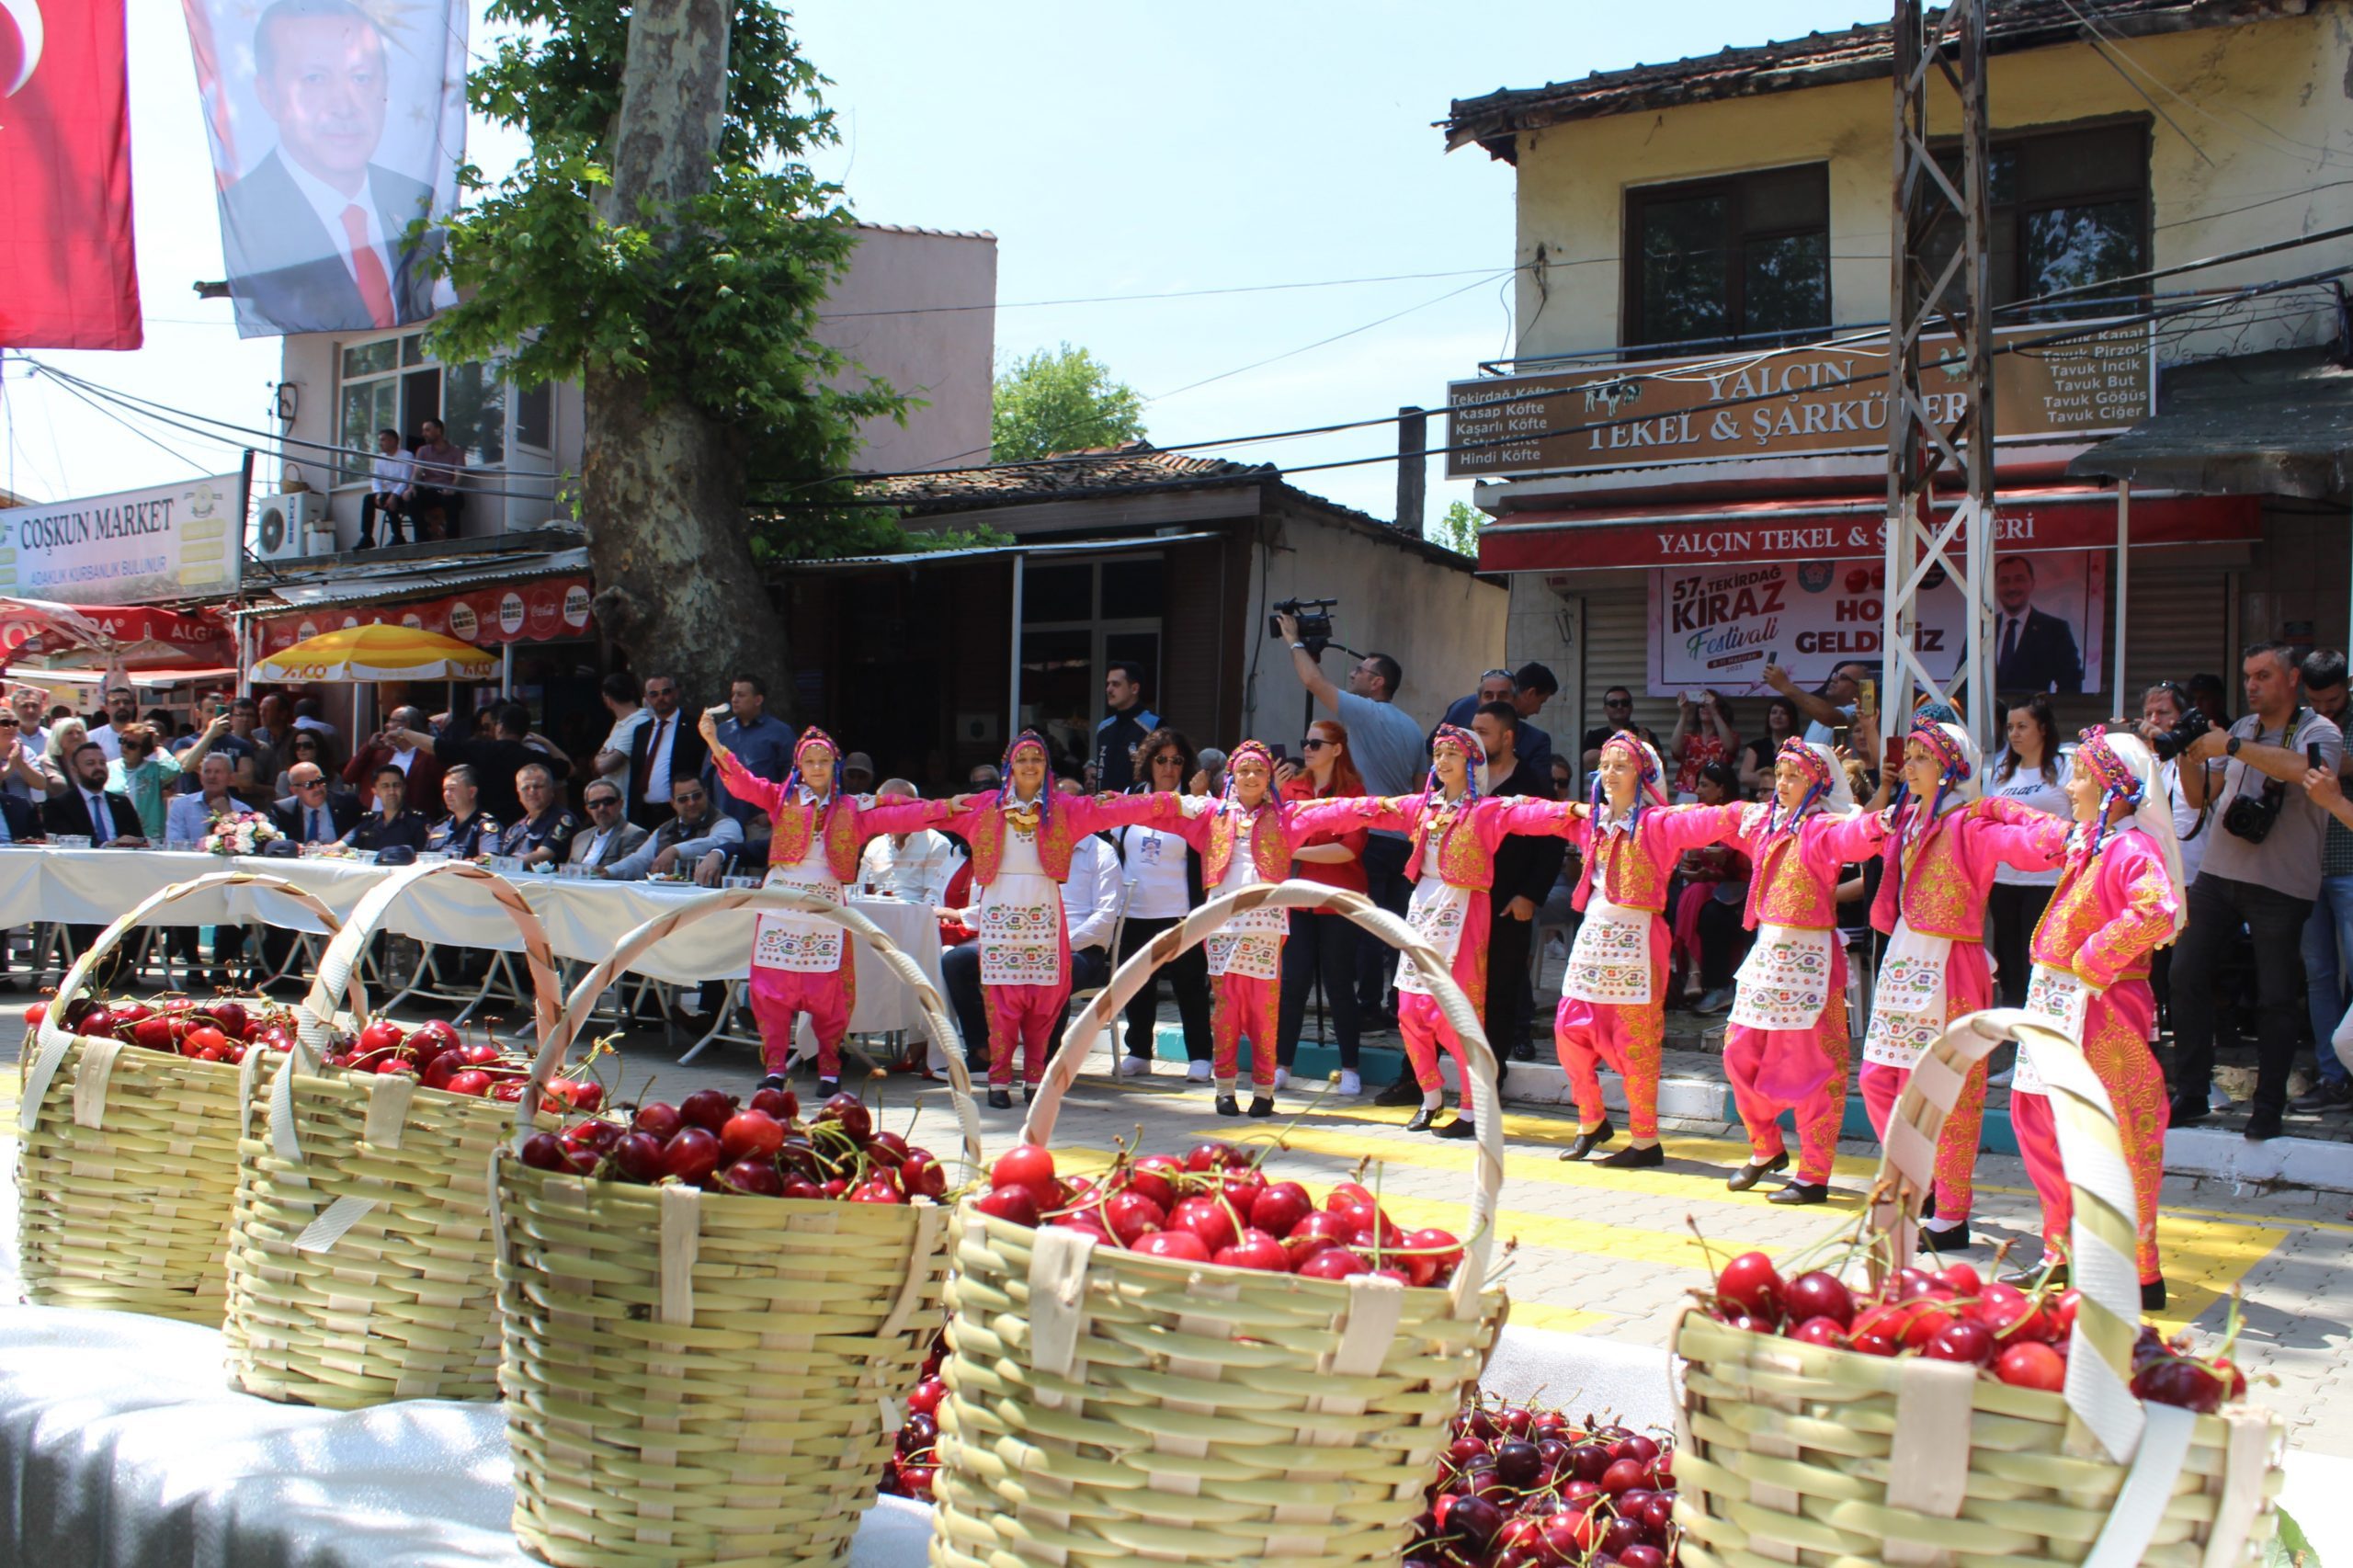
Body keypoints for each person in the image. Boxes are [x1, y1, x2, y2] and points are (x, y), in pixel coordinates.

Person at [1980, 727, 2184, 1308]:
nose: (2070, 786)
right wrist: (1987, 806)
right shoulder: (2090, 841)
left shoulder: (2131, 849)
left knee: (2113, 1133)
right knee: (2038, 1123)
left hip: (2102, 1009)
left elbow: (2156, 910)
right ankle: (2062, 1252)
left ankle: (2139, 1267)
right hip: (2057, 1004)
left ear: (2112, 788)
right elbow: (2035, 829)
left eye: (2080, 776)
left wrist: (2092, 958)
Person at [1860, 720, 2069, 1253]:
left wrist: (2065, 834)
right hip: (1907, 955)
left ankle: (1952, 1213)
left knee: (1953, 1091)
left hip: (1951, 960)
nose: (1908, 766)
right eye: (1907, 756)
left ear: (1950, 768)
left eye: (1921, 758)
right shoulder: (1908, 817)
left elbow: (2023, 845)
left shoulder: (1969, 823)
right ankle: (1920, 1180)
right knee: (1879, 1078)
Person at [1655, 739, 1890, 1202]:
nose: (1781, 784)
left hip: (1812, 961)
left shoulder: (1824, 828)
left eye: (1793, 775)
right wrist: (1652, 818)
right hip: (1765, 959)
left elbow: (1859, 837)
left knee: (1815, 1068)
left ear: (1817, 782)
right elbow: (1708, 819)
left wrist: (1882, 816)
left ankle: (1815, 1173)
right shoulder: (1762, 820)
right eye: (1778, 775)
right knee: (1738, 1053)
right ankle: (1766, 1147)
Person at [1313, 725, 1570, 1137]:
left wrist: (1575, 813)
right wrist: (1303, 815)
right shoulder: (1423, 808)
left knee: (1459, 1015)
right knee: (1409, 1011)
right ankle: (1431, 1098)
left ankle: (1472, 1109)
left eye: (1453, 753)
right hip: (1423, 907)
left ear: (1471, 762)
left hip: (1465, 910)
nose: (1443, 760)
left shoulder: (1488, 810)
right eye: (1438, 753)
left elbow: (1535, 815)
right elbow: (1373, 809)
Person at [912, 731, 1179, 1108]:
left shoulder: (1065, 810)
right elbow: (925, 812)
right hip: (1003, 917)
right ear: (1010, 767)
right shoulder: (986, 807)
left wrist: (1173, 804)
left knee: (1042, 1004)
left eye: (1037, 759)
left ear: (1046, 768)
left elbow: (1122, 811)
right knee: (1002, 1005)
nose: (1030, 765)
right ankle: (999, 1079)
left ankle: (1035, 1077)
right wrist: (873, 806)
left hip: (1044, 917)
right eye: (1022, 759)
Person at [701, 715, 939, 1096]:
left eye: (823, 762)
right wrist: (714, 742)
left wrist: (944, 808)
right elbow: (744, 782)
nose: (816, 768)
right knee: (770, 992)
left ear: (835, 767)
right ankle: (775, 1068)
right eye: (809, 761)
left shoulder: (852, 807)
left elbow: (897, 809)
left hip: (826, 908)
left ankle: (830, 1068)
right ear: (799, 766)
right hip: (780, 904)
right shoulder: (781, 798)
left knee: (828, 993)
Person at [2171, 642, 2346, 1140]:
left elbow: (2306, 772)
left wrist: (2228, 746)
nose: (2251, 685)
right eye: (2248, 676)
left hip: (2281, 884)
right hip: (2220, 874)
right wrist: (2190, 755)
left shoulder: (2319, 730)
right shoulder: (2242, 729)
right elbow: (2198, 796)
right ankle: (2191, 1091)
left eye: (2264, 675)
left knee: (2275, 998)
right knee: (2185, 974)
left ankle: (2268, 1105)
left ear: (2292, 679)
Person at [216, 0, 438, 335]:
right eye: (315, 78)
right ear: (268, 95)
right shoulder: (249, 212)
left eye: (361, 78)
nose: (344, 105)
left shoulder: (418, 201)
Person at [1164, 743, 1354, 1117]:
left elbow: (1339, 812)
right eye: (1244, 770)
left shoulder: (1285, 817)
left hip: (1265, 922)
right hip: (1221, 920)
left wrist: (1392, 809)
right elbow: (1162, 812)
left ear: (1269, 778)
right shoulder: (1210, 815)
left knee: (1264, 1008)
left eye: (1259, 771)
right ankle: (1225, 1088)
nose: (1251, 777)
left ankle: (1264, 1091)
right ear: (1231, 776)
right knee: (1226, 1008)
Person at [1275, 610, 1427, 1035]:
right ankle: (1399, 1006)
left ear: (1377, 683)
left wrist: (1293, 640)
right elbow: (1418, 790)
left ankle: (1367, 1006)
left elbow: (1313, 682)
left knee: (1365, 928)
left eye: (1362, 671)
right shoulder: (1413, 728)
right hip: (1402, 839)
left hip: (1369, 835)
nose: (1355, 674)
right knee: (1397, 927)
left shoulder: (1363, 713)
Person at [1540, 735, 1689, 1168]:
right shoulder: (1594, 821)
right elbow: (1532, 816)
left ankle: (1645, 1140)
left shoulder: (1660, 824)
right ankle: (1591, 1121)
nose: (1608, 774)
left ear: (1642, 775)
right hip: (1593, 937)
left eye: (1620, 766)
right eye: (1604, 765)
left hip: (1638, 938)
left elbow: (1714, 820)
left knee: (1635, 1043)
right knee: (1569, 1032)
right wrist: (1567, 809)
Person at [1108, 729, 1214, 1080]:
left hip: (1181, 911)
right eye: (1162, 760)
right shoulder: (1131, 797)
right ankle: (1139, 1051)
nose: (1169, 768)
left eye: (1177, 761)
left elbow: (1208, 846)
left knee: (1190, 985)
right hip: (1135, 908)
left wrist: (1198, 802)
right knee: (1137, 984)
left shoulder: (1196, 799)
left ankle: (1200, 1056)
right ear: (1148, 763)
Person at [1274, 719, 1370, 1095]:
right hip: (1297, 898)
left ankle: (1351, 1067)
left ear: (1337, 749)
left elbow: (1348, 849)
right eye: (1306, 742)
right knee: (1293, 982)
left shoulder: (1353, 791)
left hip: (1338, 900)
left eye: (1316, 743)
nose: (1308, 749)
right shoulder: (1292, 787)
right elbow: (1272, 832)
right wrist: (1277, 793)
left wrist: (1294, 850)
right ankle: (1281, 1064)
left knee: (1340, 984)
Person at [1474, 700, 1563, 1067]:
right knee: (1442, 990)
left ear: (1507, 737)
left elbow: (1553, 843)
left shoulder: (1533, 783)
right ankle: (1417, 1080)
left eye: (1483, 733)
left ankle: (1490, 1080)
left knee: (1500, 992)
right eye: (1472, 731)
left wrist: (1529, 895)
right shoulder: (1462, 779)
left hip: (1508, 904)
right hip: (1461, 903)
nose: (1474, 740)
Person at [1985, 695, 2071, 1011]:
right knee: (2009, 962)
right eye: (2010, 727)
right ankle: (2014, 1038)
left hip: (2049, 880)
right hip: (2005, 879)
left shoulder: (2065, 766)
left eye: (2023, 726)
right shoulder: (2001, 773)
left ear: (2044, 729)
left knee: (2038, 960)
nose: (2015, 734)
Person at [2297, 650, 2353, 1112]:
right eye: (2316, 701)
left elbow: (2334, 768)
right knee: (2320, 977)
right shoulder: (2303, 722)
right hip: (2310, 868)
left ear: (2346, 687)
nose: (2326, 708)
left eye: (2333, 699)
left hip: (2350, 864)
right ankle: (2332, 1077)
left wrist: (2323, 758)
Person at [398, 702, 569, 827]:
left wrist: (403, 732)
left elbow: (435, 746)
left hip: (485, 826)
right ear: (525, 732)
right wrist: (545, 742)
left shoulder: (480, 750)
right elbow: (569, 768)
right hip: (521, 826)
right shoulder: (534, 757)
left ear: (499, 727)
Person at [1670, 764, 1750, 1012]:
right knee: (1685, 894)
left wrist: (1722, 864)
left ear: (1721, 789)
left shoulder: (1738, 818)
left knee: (1697, 896)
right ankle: (1683, 976)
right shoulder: (1699, 817)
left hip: (1739, 890)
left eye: (1704, 785)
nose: (1697, 790)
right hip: (1709, 886)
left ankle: (1697, 975)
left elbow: (1747, 868)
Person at [604, 776, 745, 883]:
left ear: (706, 793)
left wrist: (675, 850)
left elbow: (715, 842)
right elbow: (640, 860)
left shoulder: (727, 824)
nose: (691, 803)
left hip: (711, 901)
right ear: (673, 803)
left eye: (697, 795)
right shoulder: (663, 830)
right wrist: (607, 871)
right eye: (683, 799)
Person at [705, 675, 795, 832]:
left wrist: (772, 814)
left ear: (758, 700)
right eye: (733, 694)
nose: (734, 699)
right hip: (723, 822)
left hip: (759, 823)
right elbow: (707, 775)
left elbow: (791, 777)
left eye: (741, 695)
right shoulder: (721, 731)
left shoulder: (780, 732)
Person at [857, 779, 965, 903]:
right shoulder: (875, 846)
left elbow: (935, 898)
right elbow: (860, 892)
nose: (895, 814)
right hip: (873, 917)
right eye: (887, 808)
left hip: (916, 919)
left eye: (903, 808)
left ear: (917, 808)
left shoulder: (937, 844)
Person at [1990, 555, 2084, 695]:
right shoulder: (1982, 629)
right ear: (1995, 586)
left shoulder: (2055, 629)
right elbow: (1962, 683)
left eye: (2019, 579)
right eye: (2004, 581)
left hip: (2033, 715)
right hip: (1986, 716)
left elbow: (2071, 684)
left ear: (2032, 583)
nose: (2012, 587)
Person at [1442, 668, 1555, 782]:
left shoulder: (1536, 741)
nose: (1495, 701)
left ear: (1515, 700)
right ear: (1479, 701)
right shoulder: (1461, 737)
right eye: (1489, 696)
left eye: (1502, 696)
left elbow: (1542, 793)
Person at [625, 676, 700, 831]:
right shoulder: (641, 731)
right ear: (646, 698)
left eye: (665, 692)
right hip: (643, 813)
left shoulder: (694, 728)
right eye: (654, 694)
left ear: (676, 693)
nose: (660, 698)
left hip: (678, 812)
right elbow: (635, 774)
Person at [342, 705, 443, 811]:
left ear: (406, 725)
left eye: (392, 721)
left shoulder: (428, 757)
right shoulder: (379, 751)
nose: (386, 725)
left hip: (409, 823)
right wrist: (369, 747)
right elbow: (349, 776)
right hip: (372, 821)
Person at [52, 743, 148, 846]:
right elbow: (65, 843)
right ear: (75, 771)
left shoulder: (122, 803)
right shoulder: (59, 805)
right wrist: (107, 846)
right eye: (90, 763)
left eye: (102, 763)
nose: (98, 767)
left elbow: (139, 839)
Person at [106, 722, 187, 842]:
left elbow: (174, 769)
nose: (124, 747)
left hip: (147, 837)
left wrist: (157, 746)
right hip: (115, 834)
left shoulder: (153, 770)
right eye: (122, 741)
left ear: (143, 749)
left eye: (131, 745)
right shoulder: (108, 768)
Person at [1762, 660, 1868, 748]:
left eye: (1843, 677)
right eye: (1835, 675)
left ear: (1859, 690)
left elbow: (1831, 718)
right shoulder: (1821, 712)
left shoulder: (1860, 712)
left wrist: (1784, 685)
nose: (1834, 679)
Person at [1093, 662, 1160, 794]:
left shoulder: (1154, 725)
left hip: (1139, 807)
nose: (1109, 689)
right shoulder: (1103, 728)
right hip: (1104, 807)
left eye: (1116, 684)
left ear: (1134, 688)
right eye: (1108, 684)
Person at [497, 764, 581, 866]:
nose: (532, 792)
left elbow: (544, 855)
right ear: (518, 793)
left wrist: (506, 864)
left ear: (551, 790)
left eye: (538, 787)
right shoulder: (515, 828)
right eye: (525, 788)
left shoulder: (563, 820)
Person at [589, 673, 650, 808]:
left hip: (625, 803)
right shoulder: (620, 724)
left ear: (607, 699)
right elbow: (597, 762)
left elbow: (603, 766)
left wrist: (603, 756)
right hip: (612, 802)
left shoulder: (637, 724)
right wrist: (602, 757)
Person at [270, 760, 362, 846]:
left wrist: (342, 844)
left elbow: (364, 827)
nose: (317, 788)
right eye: (309, 785)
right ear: (294, 790)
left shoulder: (348, 803)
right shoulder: (283, 810)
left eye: (320, 781)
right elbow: (276, 842)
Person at [1668, 690, 1739, 799]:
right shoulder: (1689, 737)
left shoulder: (1729, 735)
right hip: (1689, 792)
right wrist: (1684, 713)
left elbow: (1730, 747)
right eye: (1701, 706)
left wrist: (1714, 711)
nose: (1705, 708)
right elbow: (1675, 749)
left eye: (1708, 705)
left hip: (1717, 792)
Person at [344, 765, 429, 852]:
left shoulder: (418, 823)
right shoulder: (368, 824)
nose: (391, 791)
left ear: (404, 788)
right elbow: (342, 845)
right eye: (385, 786)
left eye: (396, 785)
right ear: (375, 791)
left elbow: (426, 858)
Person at [567, 779, 647, 871]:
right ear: (588, 810)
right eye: (594, 804)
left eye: (608, 801)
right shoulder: (580, 838)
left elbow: (629, 872)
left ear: (620, 804)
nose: (601, 808)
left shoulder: (634, 834)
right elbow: (567, 871)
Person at [409, 418, 467, 539]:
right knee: (411, 498)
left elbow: (459, 474)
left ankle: (453, 541)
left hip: (448, 491)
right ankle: (422, 538)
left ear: (438, 431)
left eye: (427, 430)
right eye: (423, 431)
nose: (423, 434)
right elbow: (417, 472)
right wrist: (411, 487)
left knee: (453, 500)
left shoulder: (456, 451)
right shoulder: (423, 450)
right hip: (430, 491)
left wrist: (452, 487)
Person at [426, 766, 499, 857]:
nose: (446, 794)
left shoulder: (484, 826)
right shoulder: (439, 828)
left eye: (452, 789)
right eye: (445, 789)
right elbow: (424, 859)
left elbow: (489, 859)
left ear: (472, 792)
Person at [1581, 687, 1661, 768]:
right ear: (1605, 709)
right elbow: (1588, 761)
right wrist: (1641, 749)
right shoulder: (1595, 736)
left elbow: (1661, 765)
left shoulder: (1644, 733)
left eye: (1624, 703)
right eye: (1613, 703)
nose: (1619, 707)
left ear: (1631, 707)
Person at [360, 428, 413, 547]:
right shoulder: (380, 458)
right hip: (388, 494)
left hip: (403, 495)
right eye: (379, 440)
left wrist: (394, 495)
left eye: (383, 440)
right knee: (368, 499)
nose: (380, 443)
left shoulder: (407, 455)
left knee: (387, 499)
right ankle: (367, 537)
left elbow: (405, 480)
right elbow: (376, 479)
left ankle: (398, 537)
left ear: (393, 441)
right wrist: (378, 493)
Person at [273, 727, 335, 801]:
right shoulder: (285, 777)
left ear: (318, 748)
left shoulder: (333, 777)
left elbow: (336, 803)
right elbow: (284, 807)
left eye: (307, 745)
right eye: (297, 746)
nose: (301, 749)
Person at [89, 686, 138, 763]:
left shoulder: (144, 736)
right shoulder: (92, 738)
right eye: (116, 703)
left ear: (133, 706)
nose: (122, 706)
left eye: (126, 702)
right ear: (106, 708)